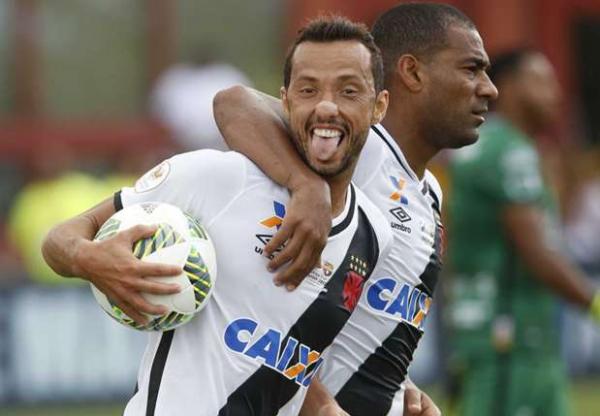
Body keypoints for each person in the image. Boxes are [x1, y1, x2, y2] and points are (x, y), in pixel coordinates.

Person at [43, 17, 394, 416]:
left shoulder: (374, 235)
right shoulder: (219, 178)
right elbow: (61, 238)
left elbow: (288, 349)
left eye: (348, 91)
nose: (326, 106)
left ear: (378, 106)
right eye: (308, 90)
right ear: (285, 101)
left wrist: (325, 406)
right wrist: (87, 257)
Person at [213, 3, 497, 415]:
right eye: (472, 69)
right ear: (412, 73)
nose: (489, 89)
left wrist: (400, 387)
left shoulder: (428, 191)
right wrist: (306, 185)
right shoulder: (355, 152)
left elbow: (360, 324)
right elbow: (234, 103)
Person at [446, 49, 600, 416]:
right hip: (509, 337)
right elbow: (537, 250)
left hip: (504, 333)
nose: (556, 93)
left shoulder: (497, 145)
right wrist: (594, 303)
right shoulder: (508, 151)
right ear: (510, 87)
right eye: (542, 81)